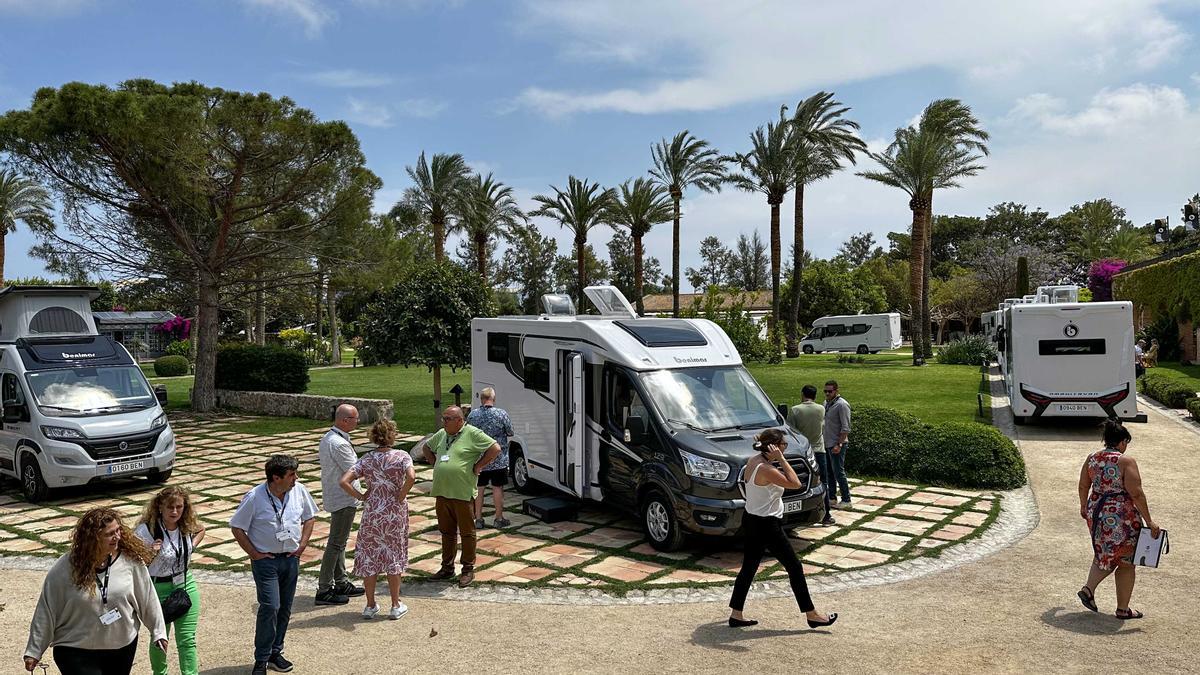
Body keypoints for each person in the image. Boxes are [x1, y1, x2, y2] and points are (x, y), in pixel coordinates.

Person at [24, 507, 167, 675]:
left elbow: (147, 597)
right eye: (109, 534)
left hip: (120, 646)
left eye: (118, 530)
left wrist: (158, 632)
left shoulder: (131, 562)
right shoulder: (66, 567)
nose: (117, 537)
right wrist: (34, 650)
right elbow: (46, 609)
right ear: (93, 538)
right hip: (75, 648)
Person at [728, 428, 837, 630]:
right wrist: (782, 460)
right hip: (767, 525)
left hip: (751, 519)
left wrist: (775, 456)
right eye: (782, 445)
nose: (784, 448)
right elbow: (795, 483)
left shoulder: (753, 461)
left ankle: (736, 614)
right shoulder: (767, 469)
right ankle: (812, 615)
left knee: (749, 568)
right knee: (794, 567)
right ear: (772, 447)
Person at [230, 455, 317, 675]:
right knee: (270, 607)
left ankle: (275, 652)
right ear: (275, 478)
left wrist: (302, 545)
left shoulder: (299, 490)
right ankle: (261, 658)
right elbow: (237, 527)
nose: (296, 478)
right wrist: (254, 554)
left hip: (290, 559)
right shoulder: (254, 497)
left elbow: (309, 517)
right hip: (266, 562)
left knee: (285, 608)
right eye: (291, 475)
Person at [1077, 420, 1161, 620]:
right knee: (1124, 559)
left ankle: (1102, 597)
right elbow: (1137, 493)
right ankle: (1109, 601)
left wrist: (1083, 506)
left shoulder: (1092, 458)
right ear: (1122, 442)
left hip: (1096, 512)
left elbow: (1083, 485)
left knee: (1105, 552)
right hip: (1120, 515)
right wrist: (1150, 521)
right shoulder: (1125, 461)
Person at [340, 419, 416, 620]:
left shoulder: (367, 459)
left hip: (373, 512)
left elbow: (344, 481)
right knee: (393, 554)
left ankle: (370, 604)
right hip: (394, 512)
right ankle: (395, 604)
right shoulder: (402, 456)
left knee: (369, 556)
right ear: (392, 435)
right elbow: (411, 476)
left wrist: (362, 496)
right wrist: (401, 494)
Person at [421, 405, 501, 588]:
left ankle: (467, 569)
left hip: (462, 493)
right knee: (446, 532)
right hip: (442, 492)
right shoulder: (442, 433)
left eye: (448, 418)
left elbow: (495, 448)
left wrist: (479, 465)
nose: (444, 421)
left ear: (459, 420)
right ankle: (447, 567)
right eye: (443, 418)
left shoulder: (472, 433)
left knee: (466, 532)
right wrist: (435, 463)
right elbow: (426, 447)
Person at [134, 487, 207, 675]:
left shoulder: (186, 525)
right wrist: (150, 553)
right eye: (170, 507)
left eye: (179, 507)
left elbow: (201, 529)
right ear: (160, 507)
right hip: (158, 588)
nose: (175, 512)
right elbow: (133, 561)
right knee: (160, 638)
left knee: (187, 639)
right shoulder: (146, 530)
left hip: (185, 584)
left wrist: (191, 548)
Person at [316, 404, 365, 606]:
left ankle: (341, 581)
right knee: (336, 543)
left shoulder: (331, 438)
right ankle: (324, 588)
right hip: (343, 498)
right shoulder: (339, 444)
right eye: (355, 419)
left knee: (340, 542)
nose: (358, 422)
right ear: (345, 420)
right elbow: (355, 470)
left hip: (336, 496)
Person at [467, 387, 515, 529]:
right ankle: (498, 518)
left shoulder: (473, 415)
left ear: (481, 399)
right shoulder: (502, 414)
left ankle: (479, 519)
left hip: (479, 460)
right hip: (498, 459)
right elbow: (510, 431)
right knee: (497, 488)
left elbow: (467, 433)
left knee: (479, 489)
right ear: (493, 399)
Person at [788, 384, 835, 526]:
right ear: (815, 396)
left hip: (803, 451)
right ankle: (826, 515)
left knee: (801, 482)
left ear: (802, 394)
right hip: (819, 449)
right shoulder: (821, 409)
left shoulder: (795, 410)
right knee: (823, 482)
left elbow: (791, 431)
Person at [823, 380, 852, 509]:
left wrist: (839, 444)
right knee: (829, 472)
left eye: (830, 391)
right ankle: (832, 498)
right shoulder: (826, 404)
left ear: (836, 391)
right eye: (826, 391)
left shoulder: (842, 405)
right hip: (827, 443)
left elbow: (846, 428)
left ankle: (846, 500)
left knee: (839, 472)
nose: (828, 394)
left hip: (837, 444)